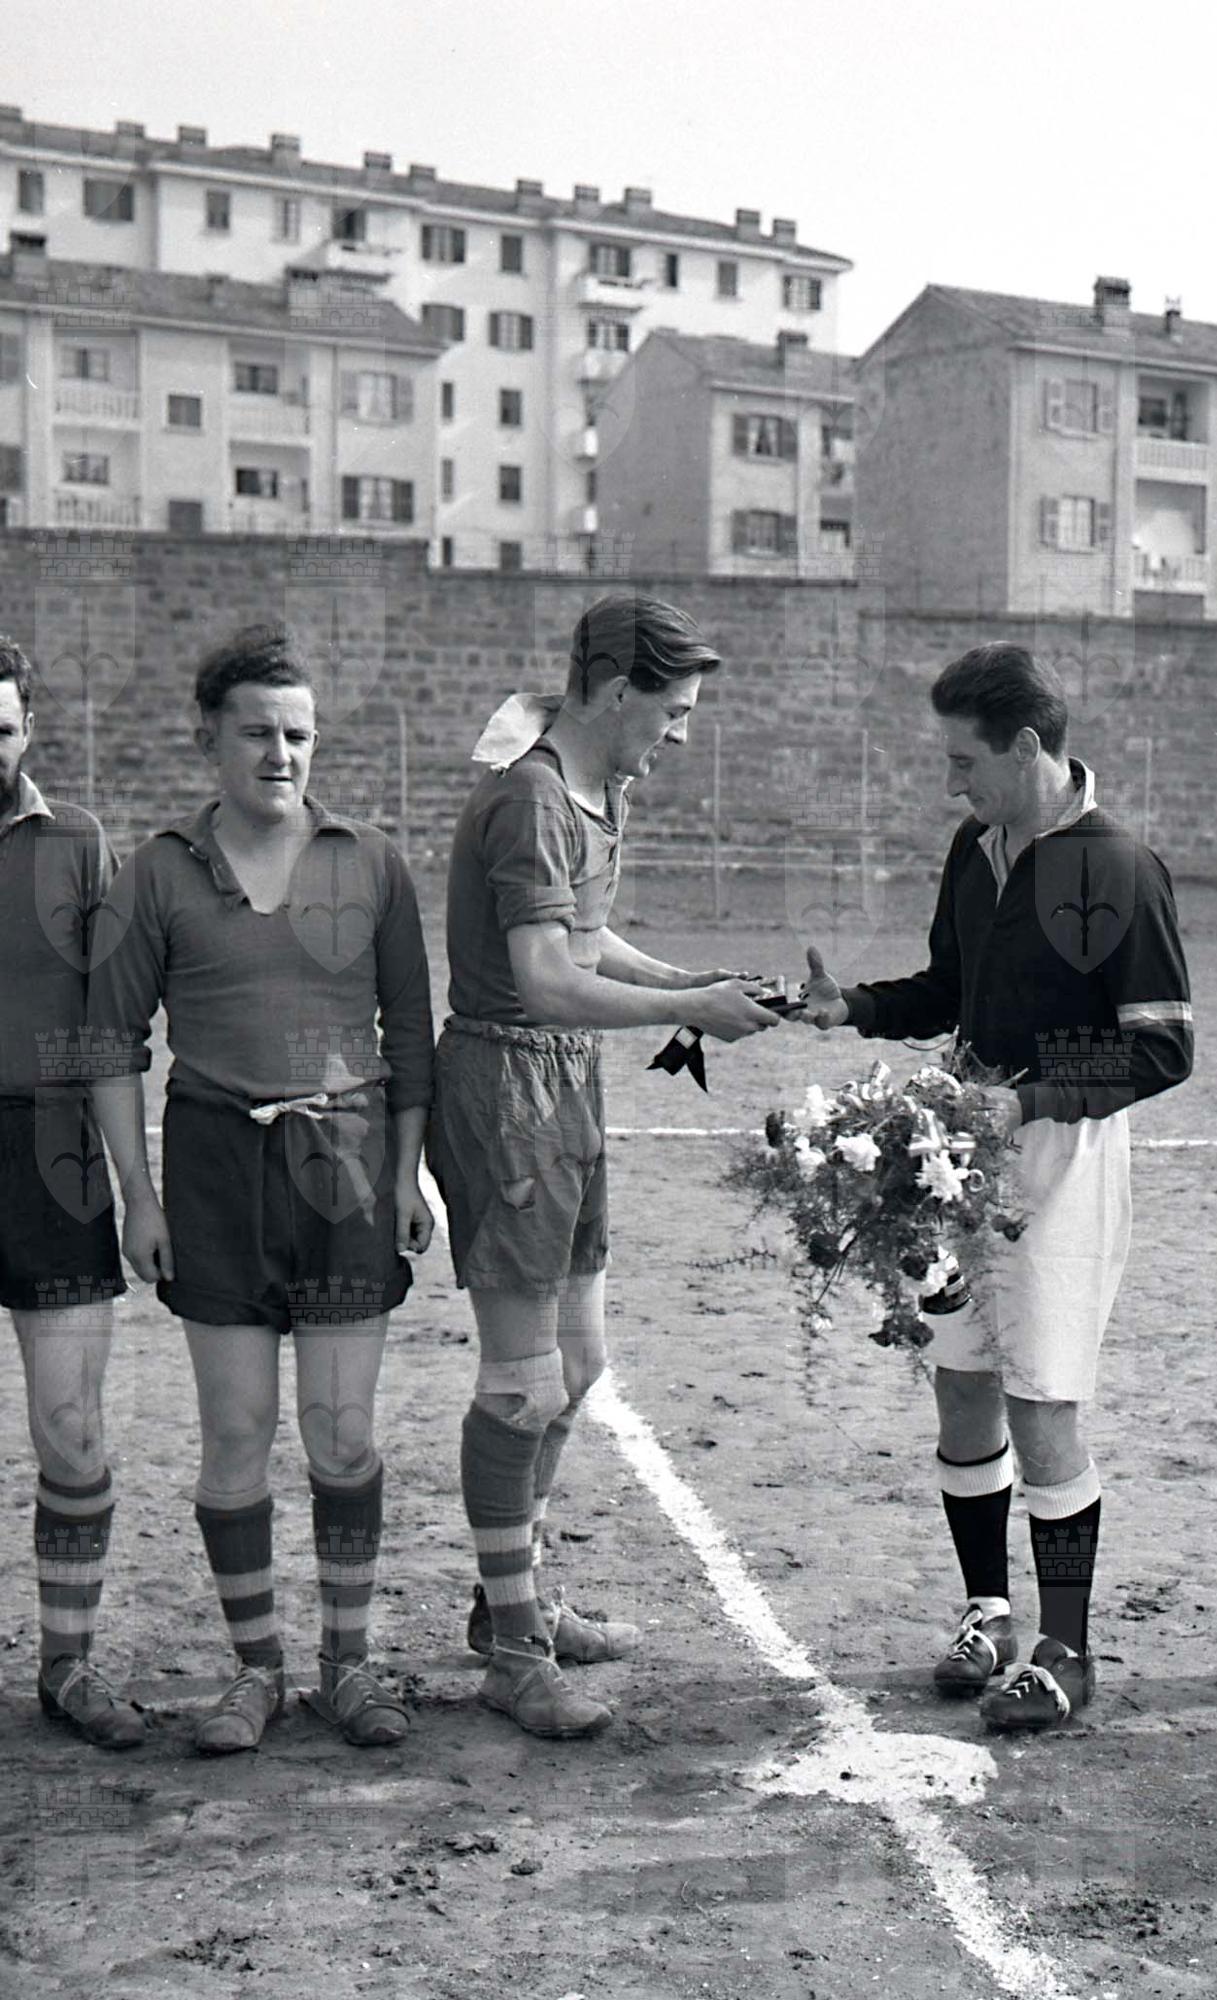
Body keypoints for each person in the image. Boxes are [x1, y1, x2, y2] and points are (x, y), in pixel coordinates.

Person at [800, 643, 1192, 1732]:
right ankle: (988, 1613)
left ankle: (1067, 1651)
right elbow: (947, 987)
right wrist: (853, 1008)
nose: (950, 783)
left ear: (1026, 747)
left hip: (1060, 1156)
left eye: (962, 760)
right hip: (955, 1150)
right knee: (963, 1386)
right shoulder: (973, 850)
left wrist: (1029, 1102)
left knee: (1042, 1400)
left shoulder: (1122, 866)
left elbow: (1163, 1048)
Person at [430, 592, 778, 1740]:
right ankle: (514, 1652)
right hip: (506, 1088)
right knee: (520, 1383)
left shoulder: (595, 789)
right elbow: (542, 979)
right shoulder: (530, 796)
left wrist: (689, 982)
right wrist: (686, 1012)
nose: (679, 732)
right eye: (671, 710)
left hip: (565, 1083)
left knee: (578, 1365)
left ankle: (514, 1598)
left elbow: (585, 940)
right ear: (617, 689)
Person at [88, 625, 435, 1755]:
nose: (280, 754)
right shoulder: (158, 870)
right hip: (214, 1169)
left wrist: (407, 1171)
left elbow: (410, 1036)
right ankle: (256, 1671)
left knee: (340, 1432)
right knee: (235, 1432)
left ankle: (346, 1665)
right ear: (209, 740)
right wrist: (139, 1197)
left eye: (298, 734)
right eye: (257, 733)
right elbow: (110, 1044)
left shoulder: (371, 862)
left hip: (344, 1168)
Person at [0, 636, 142, 1749]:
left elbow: (110, 1029)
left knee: (71, 1428)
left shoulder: (79, 843)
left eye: (0, 729)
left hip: (53, 1155)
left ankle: (67, 1664)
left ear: (28, 729)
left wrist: (137, 1191)